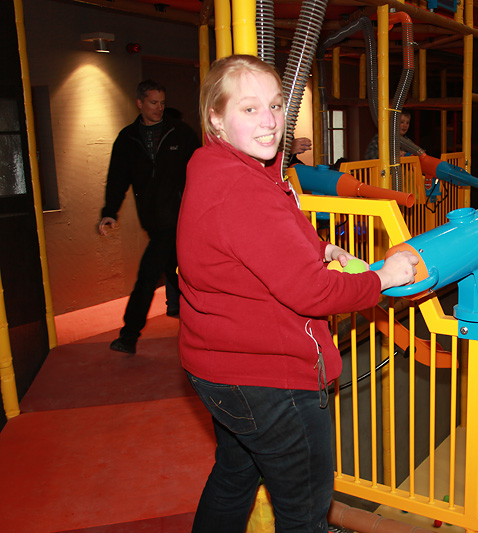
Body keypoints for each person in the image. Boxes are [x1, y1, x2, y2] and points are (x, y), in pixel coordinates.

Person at [177, 54, 418, 532]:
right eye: (249, 109)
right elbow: (312, 292)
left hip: (217, 366)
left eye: (275, 105)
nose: (270, 121)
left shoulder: (216, 165)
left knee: (235, 475)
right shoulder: (242, 189)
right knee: (304, 511)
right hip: (269, 379)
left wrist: (320, 247)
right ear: (216, 118)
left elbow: (254, 241)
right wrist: (384, 278)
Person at [99, 80, 200, 354]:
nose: (159, 108)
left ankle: (128, 336)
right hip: (154, 222)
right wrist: (109, 212)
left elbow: (202, 171)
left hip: (179, 220)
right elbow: (117, 178)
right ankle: (203, 328)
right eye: (154, 103)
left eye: (162, 103)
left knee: (148, 276)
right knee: (180, 275)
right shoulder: (128, 139)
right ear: (139, 103)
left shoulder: (180, 133)